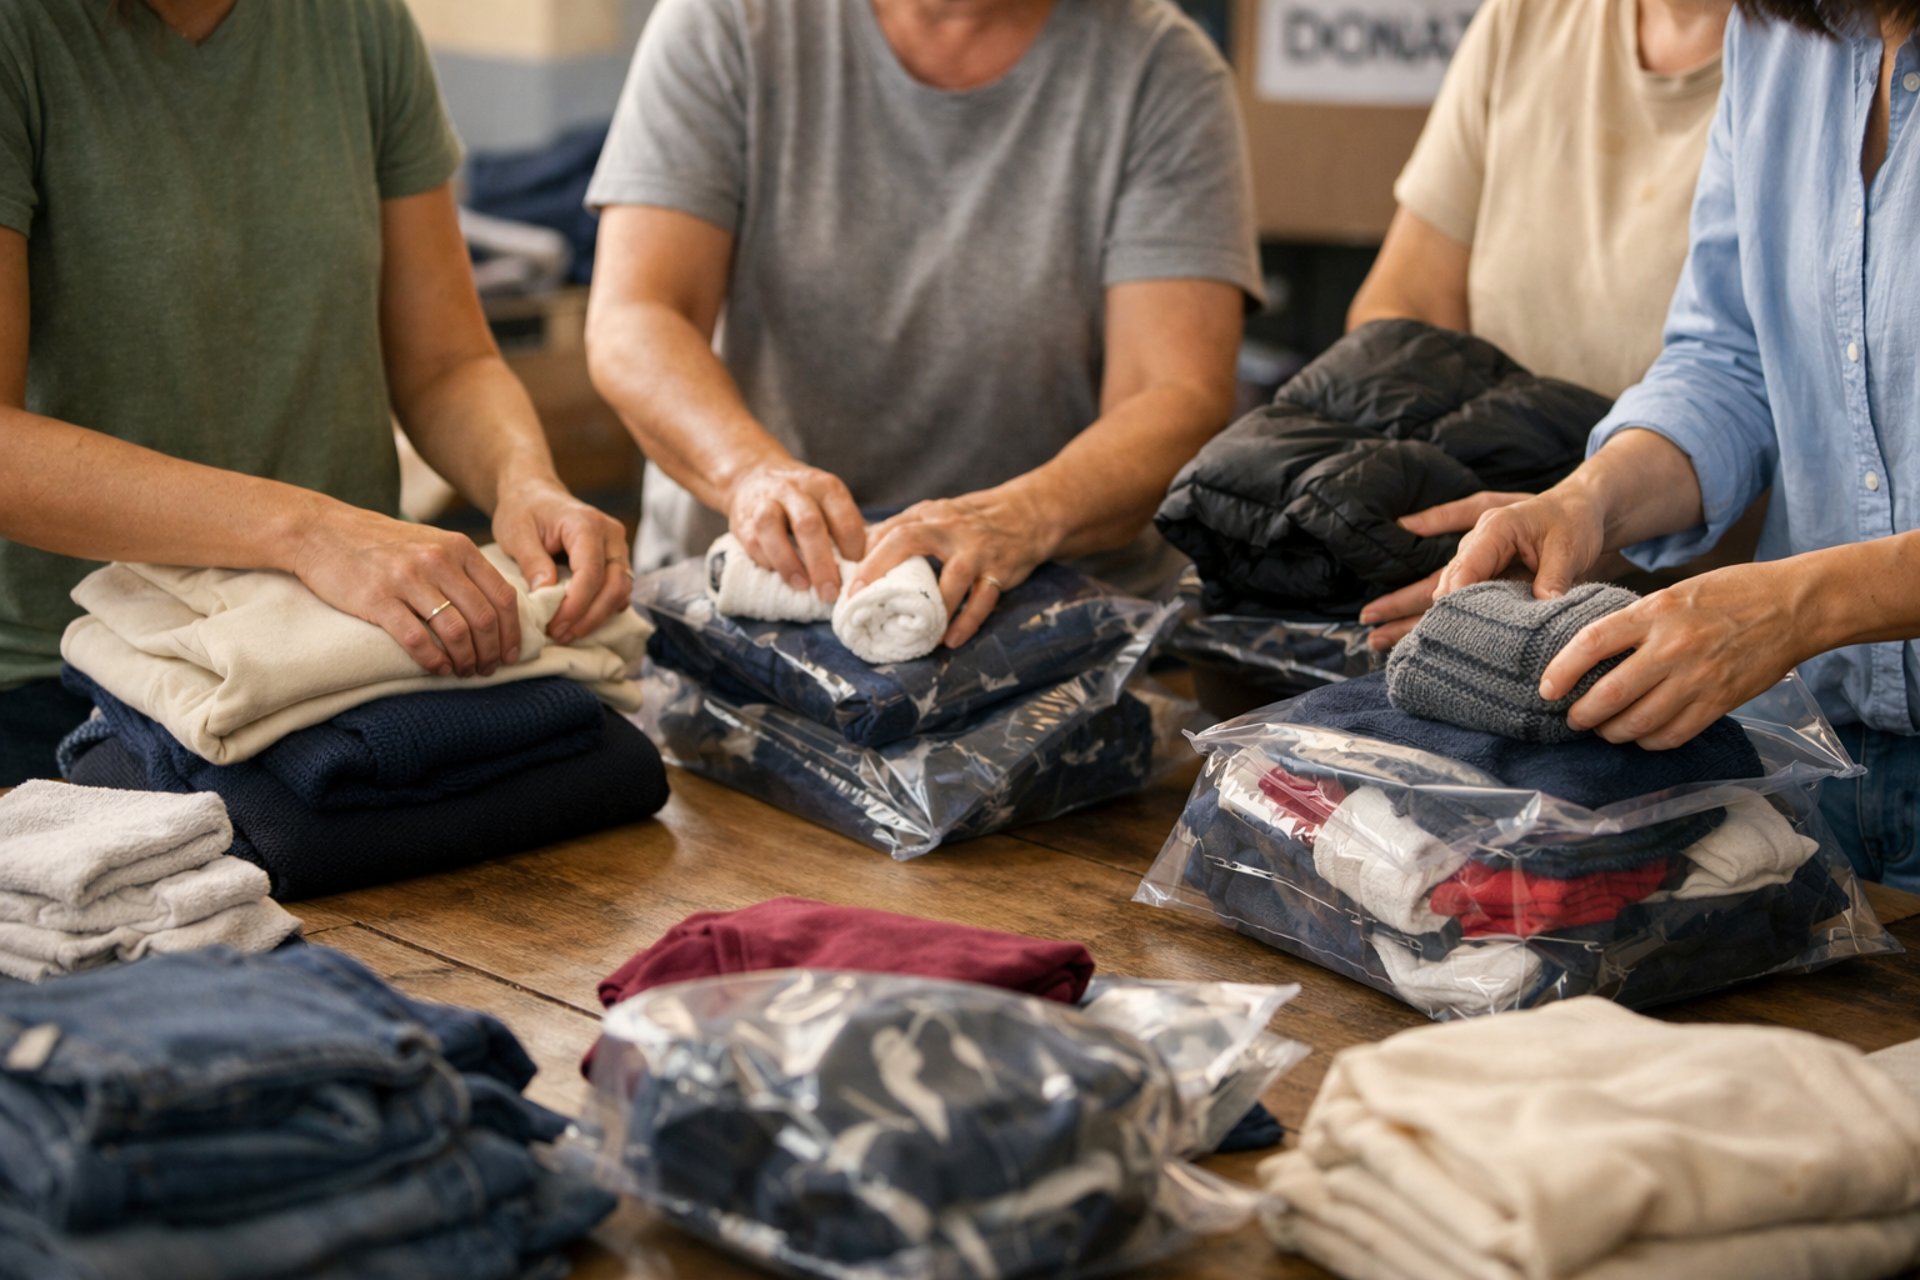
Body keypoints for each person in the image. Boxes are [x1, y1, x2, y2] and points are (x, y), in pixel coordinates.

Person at [0, 0, 633, 786]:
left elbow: (445, 361)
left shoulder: (358, 21)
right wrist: (311, 534)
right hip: (64, 682)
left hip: (337, 666)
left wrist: (523, 483)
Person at [584, 0, 1261, 649]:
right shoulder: (729, 20)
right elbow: (638, 314)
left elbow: (1173, 391)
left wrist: (1018, 520)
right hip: (754, 605)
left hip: (1046, 619)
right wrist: (749, 476)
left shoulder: (1161, 69)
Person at [1428, 0, 1920, 888]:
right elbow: (1730, 358)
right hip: (1806, 761)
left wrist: (1803, 606)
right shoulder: (1781, 36)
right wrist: (1590, 500)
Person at [1348, 0, 1735, 648]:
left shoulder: (1821, 63)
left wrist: (1589, 520)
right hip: (1502, 559)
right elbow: (1403, 304)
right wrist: (1488, 516)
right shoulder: (1524, 19)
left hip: (1706, 620)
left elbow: (1775, 412)